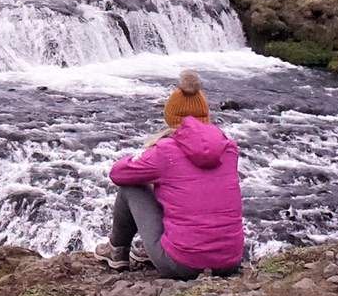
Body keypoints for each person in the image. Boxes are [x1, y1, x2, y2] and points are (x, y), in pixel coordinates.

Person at [94, 115, 244, 279]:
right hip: (230, 262)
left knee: (131, 187)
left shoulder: (166, 151)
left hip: (182, 265)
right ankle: (156, 248)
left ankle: (117, 251)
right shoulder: (229, 150)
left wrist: (146, 159)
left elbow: (118, 173)